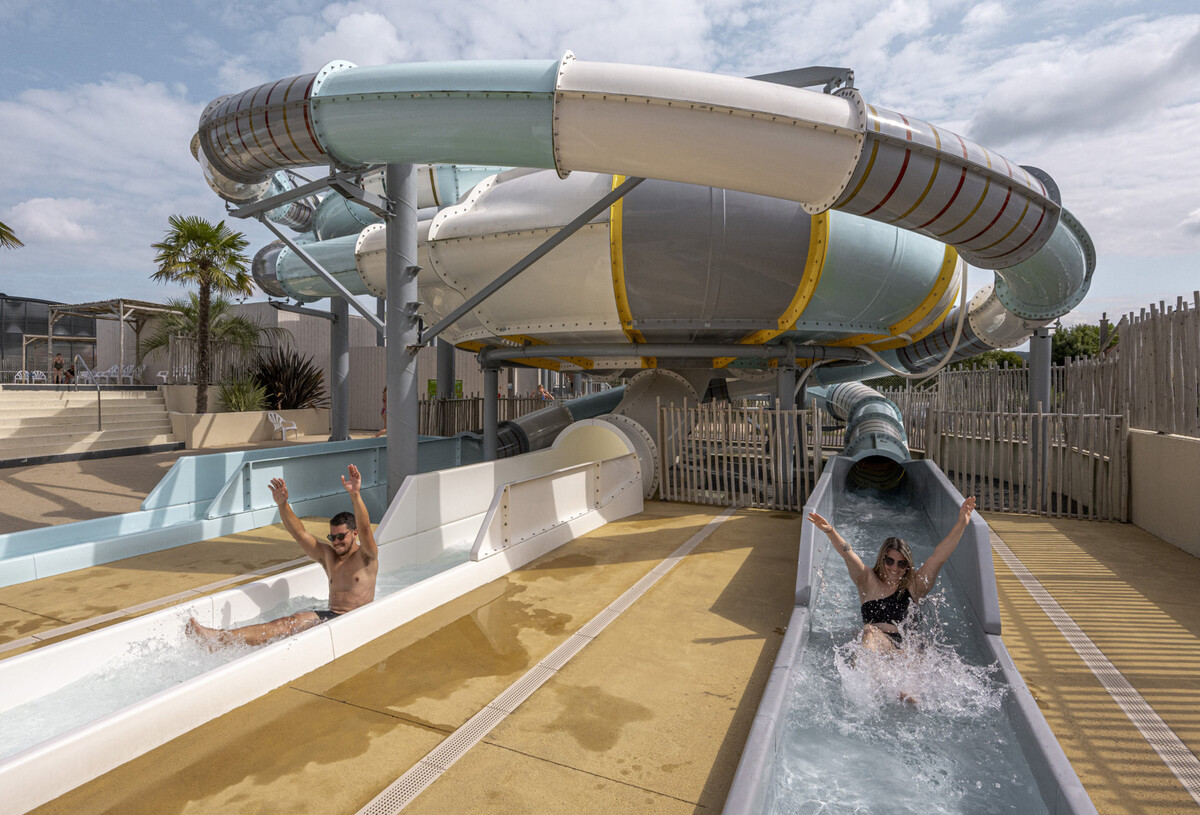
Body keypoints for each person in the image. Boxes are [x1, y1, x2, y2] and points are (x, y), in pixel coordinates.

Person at [187, 464, 380, 648]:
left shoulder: (366, 556)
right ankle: (222, 640)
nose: (336, 542)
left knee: (292, 624)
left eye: (341, 537)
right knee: (289, 622)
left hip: (354, 621)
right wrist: (282, 504)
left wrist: (355, 494)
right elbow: (300, 534)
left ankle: (220, 640)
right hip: (331, 616)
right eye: (332, 537)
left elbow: (365, 529)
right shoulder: (329, 557)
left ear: (354, 534)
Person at [807, 496, 976, 653]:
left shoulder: (914, 586)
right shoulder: (867, 580)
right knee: (869, 631)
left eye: (902, 563)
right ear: (882, 559)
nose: (895, 568)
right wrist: (830, 531)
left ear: (907, 566)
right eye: (890, 561)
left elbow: (938, 557)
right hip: (876, 645)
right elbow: (847, 553)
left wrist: (961, 524)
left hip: (908, 651)